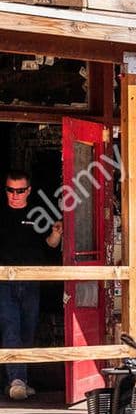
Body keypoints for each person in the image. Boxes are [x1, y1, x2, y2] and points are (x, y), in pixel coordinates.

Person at [0, 169, 62, 399]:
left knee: (28, 330)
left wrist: (56, 234)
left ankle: (20, 381)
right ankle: (16, 381)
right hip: (4, 282)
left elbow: (51, 245)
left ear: (28, 190)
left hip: (32, 281)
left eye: (19, 190)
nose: (14, 195)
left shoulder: (39, 214)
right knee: (10, 327)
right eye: (10, 190)